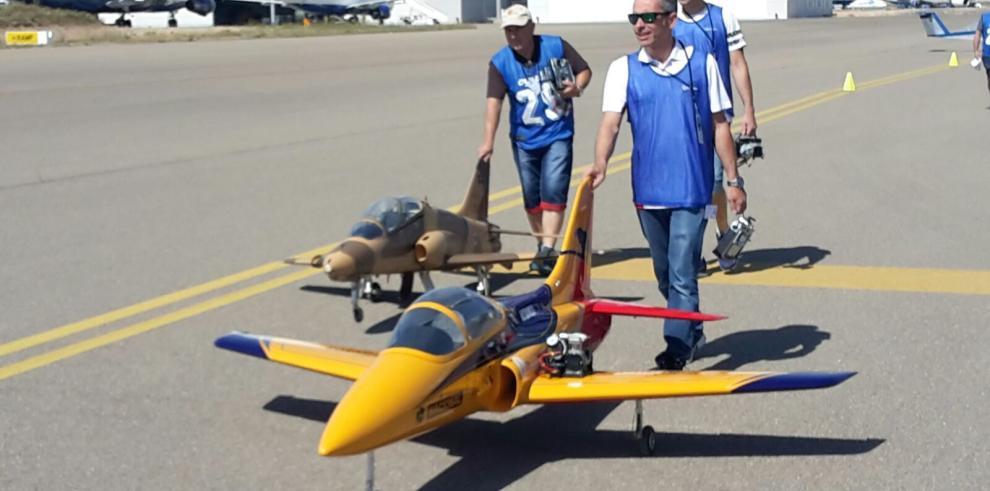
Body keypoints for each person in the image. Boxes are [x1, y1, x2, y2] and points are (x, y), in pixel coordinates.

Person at [586, 0, 746, 370]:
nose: (639, 25)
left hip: (693, 189)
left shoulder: (700, 63)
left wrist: (733, 180)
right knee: (664, 273)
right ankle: (691, 329)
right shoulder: (622, 69)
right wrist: (600, 163)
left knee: (681, 270)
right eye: (634, 18)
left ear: (671, 20)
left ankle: (676, 348)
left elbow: (720, 124)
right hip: (648, 191)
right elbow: (610, 123)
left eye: (648, 18)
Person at [478, 4, 592, 276]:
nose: (514, 35)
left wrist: (577, 87)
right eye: (508, 30)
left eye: (518, 29)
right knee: (532, 197)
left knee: (553, 189)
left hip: (558, 133)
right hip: (524, 139)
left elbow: (584, 70)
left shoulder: (555, 47)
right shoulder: (500, 63)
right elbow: (493, 104)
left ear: (532, 27)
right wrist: (487, 141)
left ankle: (547, 249)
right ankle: (543, 245)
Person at [674, 0, 757, 273]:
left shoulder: (723, 18)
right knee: (688, 189)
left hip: (716, 119)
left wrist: (749, 110)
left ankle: (723, 235)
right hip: (681, 120)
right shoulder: (667, 20)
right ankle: (693, 247)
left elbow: (737, 64)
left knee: (713, 185)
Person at [975, 10, 990, 97]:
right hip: (987, 55)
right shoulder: (984, 17)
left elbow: (977, 35)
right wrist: (976, 50)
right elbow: (977, 34)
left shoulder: (984, 17)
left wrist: (976, 50)